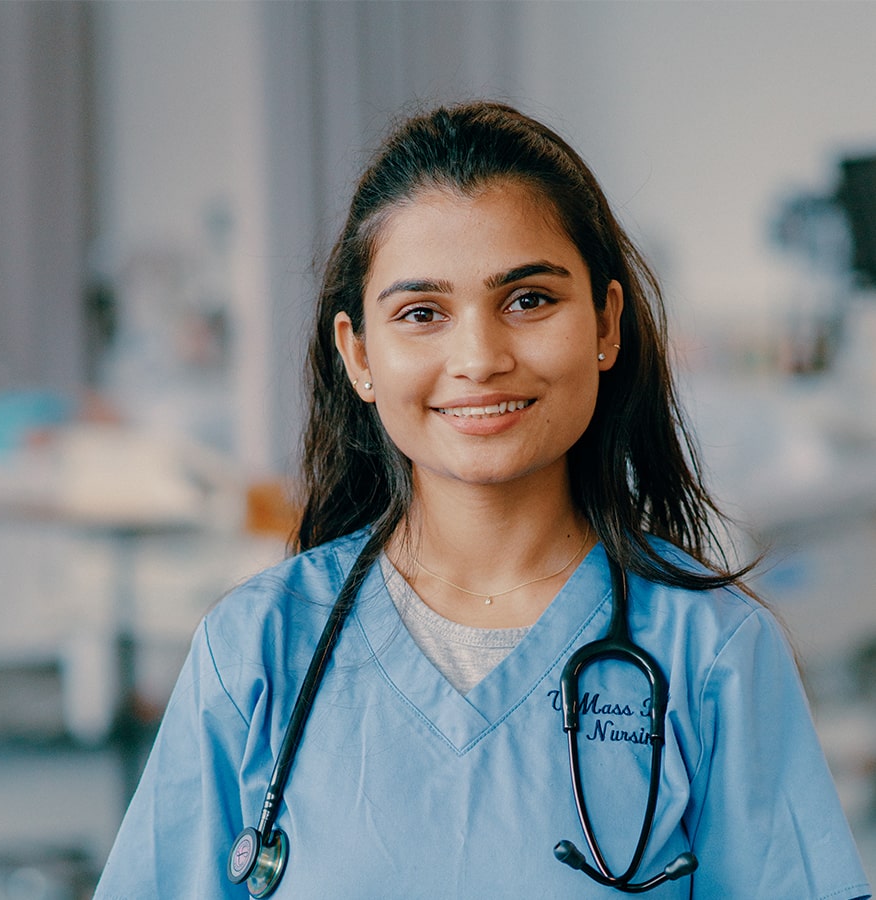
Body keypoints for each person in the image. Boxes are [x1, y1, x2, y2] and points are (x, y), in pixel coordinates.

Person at [94, 102, 871, 899]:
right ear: (358, 355)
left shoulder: (711, 653)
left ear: (606, 324)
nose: (479, 358)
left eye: (528, 300)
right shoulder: (257, 650)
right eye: (421, 314)